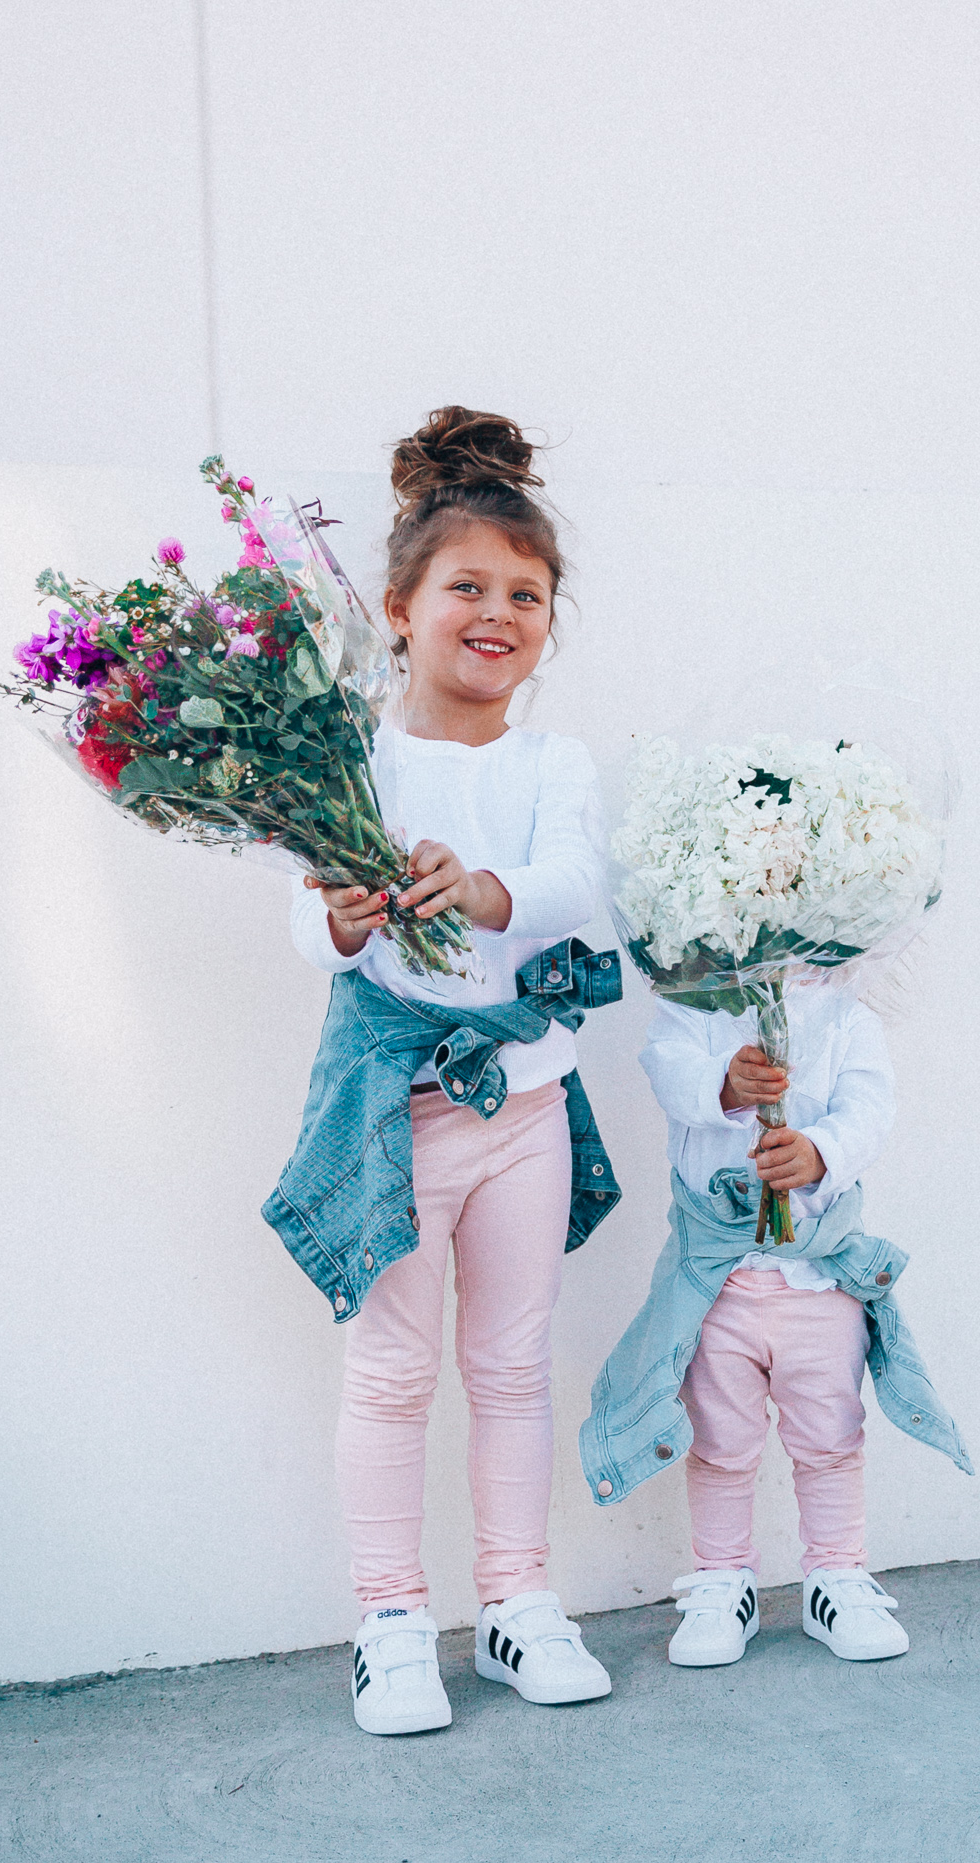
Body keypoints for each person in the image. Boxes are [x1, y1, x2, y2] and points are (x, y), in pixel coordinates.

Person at [283, 407, 618, 1735]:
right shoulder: (350, 759)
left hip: (524, 1106)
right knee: (390, 1370)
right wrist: (343, 918)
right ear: (400, 606)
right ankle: (388, 1620)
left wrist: (483, 889)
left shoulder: (551, 762)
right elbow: (294, 911)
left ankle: (516, 1605)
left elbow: (582, 883)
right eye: (467, 588)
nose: (497, 614)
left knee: (514, 1367)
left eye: (525, 595)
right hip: (397, 1110)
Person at [579, 978, 972, 1669]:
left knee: (828, 1436)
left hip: (816, 1278)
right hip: (715, 1281)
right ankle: (721, 1578)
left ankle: (836, 1575)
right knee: (719, 1441)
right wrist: (724, 1086)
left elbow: (870, 1106)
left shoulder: (845, 1009)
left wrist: (820, 1151)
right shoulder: (690, 998)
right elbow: (667, 1072)